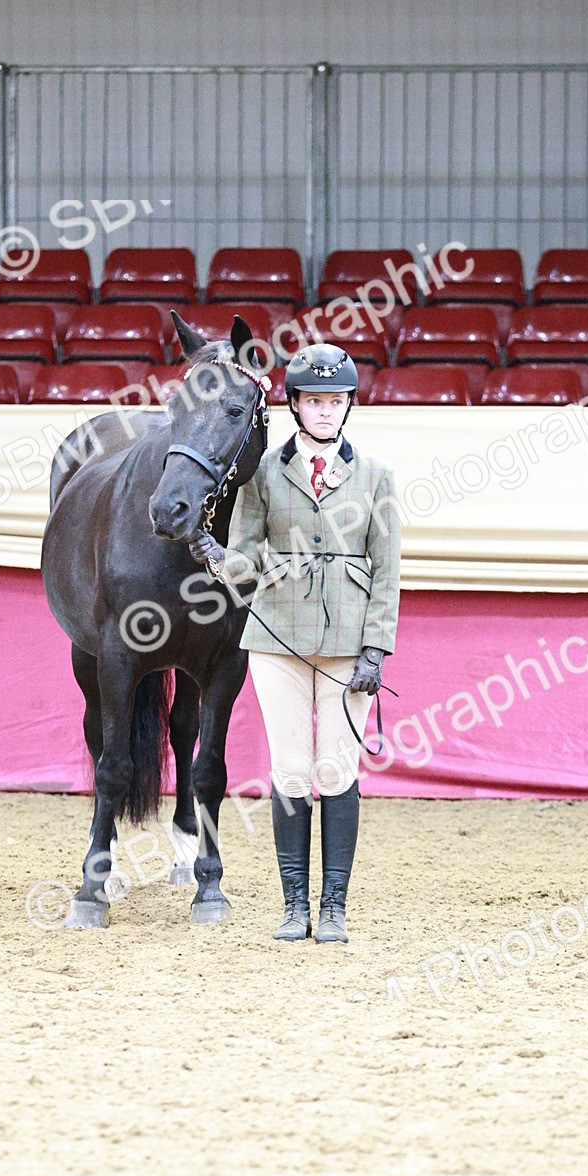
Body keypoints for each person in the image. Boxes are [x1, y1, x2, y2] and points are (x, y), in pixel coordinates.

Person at [189, 342, 401, 943]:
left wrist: (376, 649)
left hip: (347, 639)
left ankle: (333, 906)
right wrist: (216, 556)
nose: (325, 411)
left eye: (335, 401)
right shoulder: (262, 472)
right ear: (296, 406)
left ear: (348, 405)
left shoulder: (377, 475)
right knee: (289, 770)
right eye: (314, 401)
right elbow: (248, 556)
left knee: (336, 769)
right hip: (277, 634)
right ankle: (294, 906)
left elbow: (387, 571)